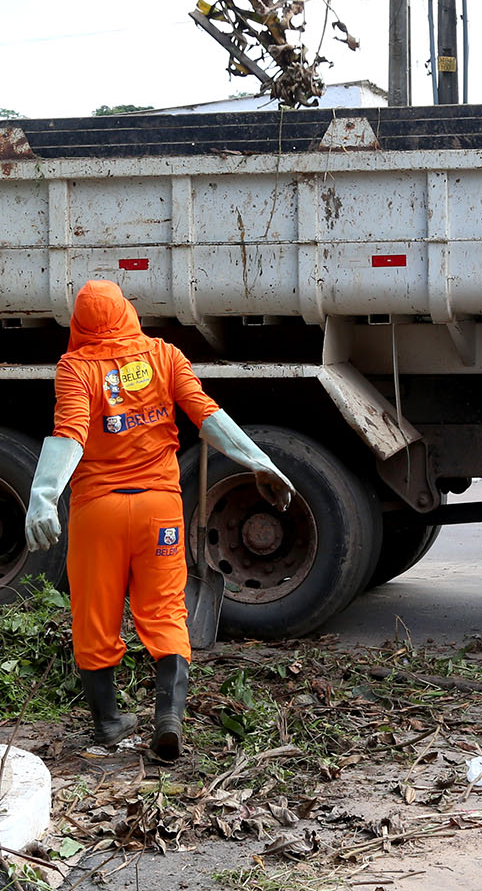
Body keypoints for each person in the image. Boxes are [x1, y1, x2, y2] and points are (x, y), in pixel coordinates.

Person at [23, 280, 295, 759]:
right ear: (127, 312)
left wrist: (44, 497)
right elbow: (206, 416)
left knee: (95, 614)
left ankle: (108, 723)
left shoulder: (75, 367)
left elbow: (70, 434)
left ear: (80, 325)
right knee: (166, 610)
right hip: (159, 510)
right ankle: (168, 718)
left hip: (98, 514)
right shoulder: (166, 356)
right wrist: (260, 463)